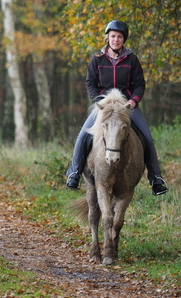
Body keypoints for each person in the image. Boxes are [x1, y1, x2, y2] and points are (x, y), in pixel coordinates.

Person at [65, 20, 169, 196]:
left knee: (148, 138)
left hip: (126, 105)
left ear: (124, 40)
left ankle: (156, 178)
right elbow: (90, 83)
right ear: (108, 38)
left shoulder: (132, 59)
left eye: (119, 37)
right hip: (104, 106)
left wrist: (133, 101)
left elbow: (139, 84)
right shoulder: (97, 60)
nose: (116, 40)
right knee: (83, 135)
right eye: (113, 36)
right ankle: (74, 173)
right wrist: (100, 101)